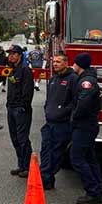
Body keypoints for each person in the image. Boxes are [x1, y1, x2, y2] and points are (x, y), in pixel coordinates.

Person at [70, 53, 102, 204]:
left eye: (75, 63)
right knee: (90, 159)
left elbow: (83, 103)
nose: (73, 65)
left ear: (79, 65)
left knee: (77, 158)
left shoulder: (87, 82)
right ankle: (97, 189)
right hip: (88, 124)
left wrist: (74, 118)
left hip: (84, 125)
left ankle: (93, 191)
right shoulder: (87, 79)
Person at [40, 54, 75, 190]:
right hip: (49, 123)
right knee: (45, 151)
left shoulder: (72, 79)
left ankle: (47, 177)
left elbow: (75, 101)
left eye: (58, 62)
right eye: (54, 62)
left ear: (66, 63)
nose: (55, 64)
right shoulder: (53, 79)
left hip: (62, 124)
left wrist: (63, 112)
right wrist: (47, 109)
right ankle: (45, 178)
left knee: (56, 153)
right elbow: (49, 99)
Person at [4, 45, 34, 178]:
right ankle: (21, 165)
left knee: (22, 139)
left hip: (21, 110)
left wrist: (23, 106)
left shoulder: (25, 70)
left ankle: (28, 166)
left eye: (13, 53)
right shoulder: (12, 69)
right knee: (14, 138)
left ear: (19, 55)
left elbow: (28, 91)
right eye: (9, 53)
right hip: (11, 108)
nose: (10, 56)